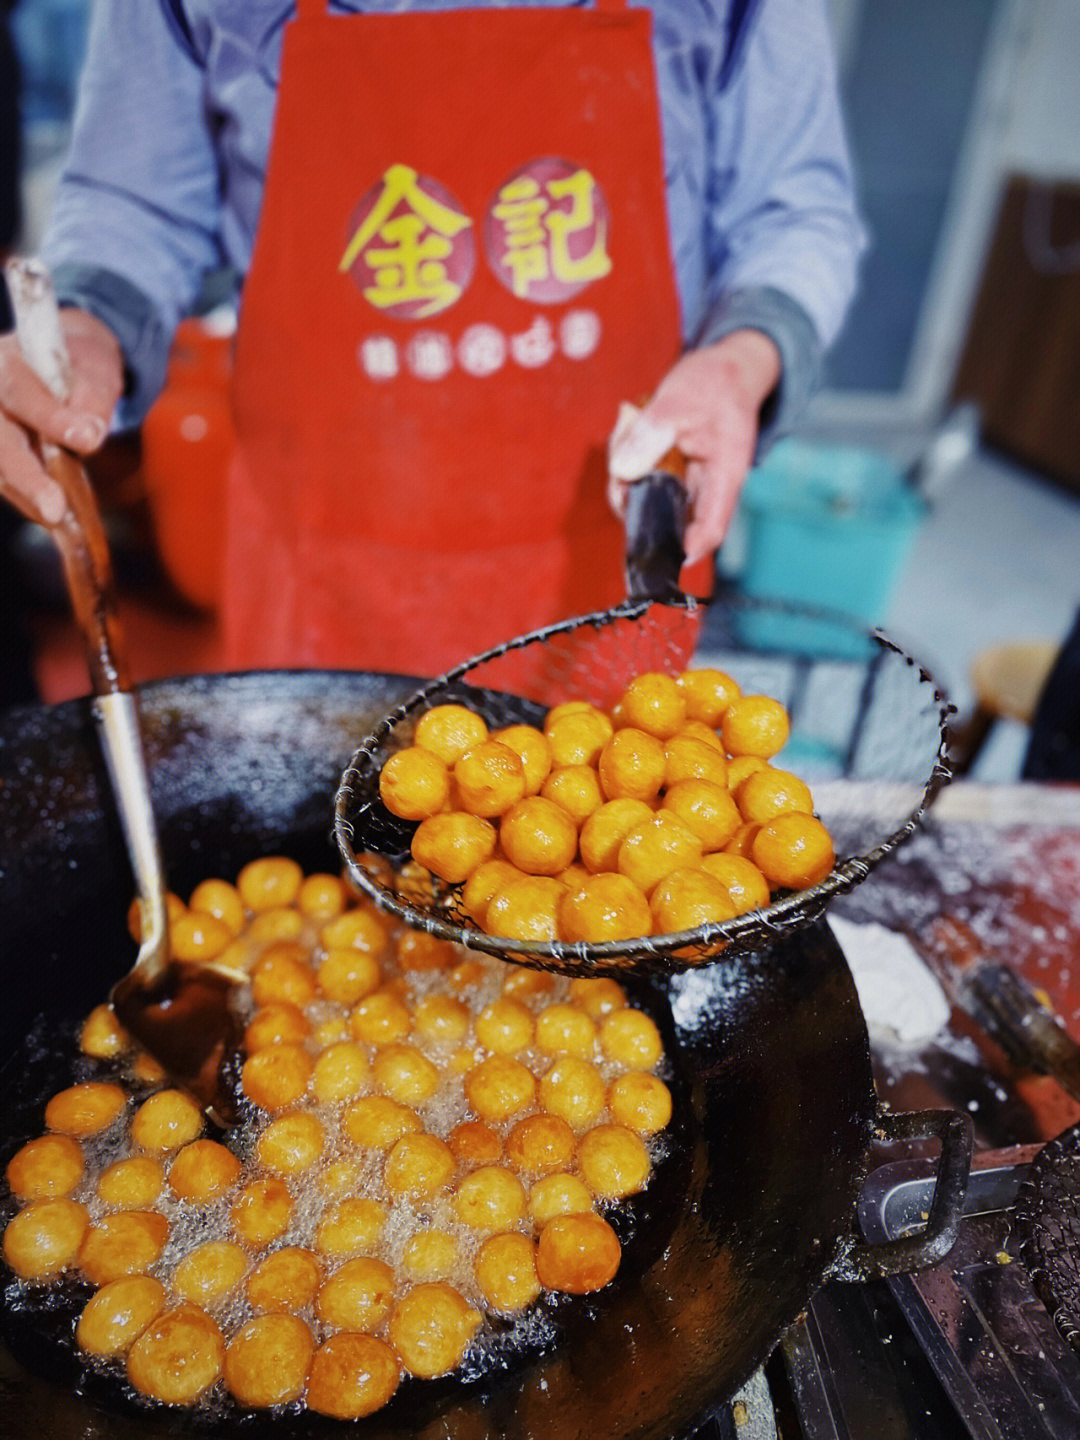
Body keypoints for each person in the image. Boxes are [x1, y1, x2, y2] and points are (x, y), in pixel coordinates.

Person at [0, 0, 865, 679]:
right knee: (319, 869)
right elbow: (136, 199)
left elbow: (794, 208)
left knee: (603, 870)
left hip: (608, 558)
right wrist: (84, 326)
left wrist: (742, 359)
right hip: (324, 562)